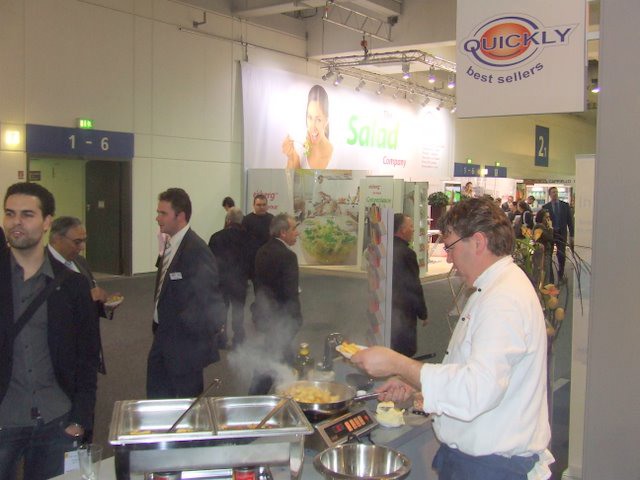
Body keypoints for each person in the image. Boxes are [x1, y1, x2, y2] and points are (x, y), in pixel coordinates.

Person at [351, 198, 552, 480]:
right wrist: (416, 385)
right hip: (481, 462)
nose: (448, 258)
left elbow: (476, 390)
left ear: (478, 242)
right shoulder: (495, 287)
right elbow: (472, 370)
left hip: (491, 467)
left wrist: (398, 364)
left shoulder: (503, 300)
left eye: (450, 247)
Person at [0, 182, 98, 480]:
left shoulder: (73, 285)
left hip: (57, 419)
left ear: (46, 222)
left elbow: (87, 357)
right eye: (9, 214)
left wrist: (80, 419)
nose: (16, 222)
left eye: (27, 214)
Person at [147, 187, 226, 399]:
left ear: (180, 216)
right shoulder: (170, 243)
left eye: (163, 213)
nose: (157, 218)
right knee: (157, 399)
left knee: (186, 407)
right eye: (158, 212)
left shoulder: (197, 250)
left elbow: (209, 302)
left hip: (184, 348)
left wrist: (184, 336)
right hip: (163, 337)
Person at [48, 216, 121, 375]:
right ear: (57, 239)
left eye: (84, 241)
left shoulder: (80, 262)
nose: (82, 247)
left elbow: (91, 297)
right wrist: (85, 297)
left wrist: (105, 304)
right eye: (77, 242)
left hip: (85, 350)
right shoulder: (40, 266)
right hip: (56, 354)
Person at [248, 213, 302, 395]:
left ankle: (282, 394)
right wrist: (295, 320)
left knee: (280, 358)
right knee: (273, 361)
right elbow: (290, 294)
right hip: (281, 320)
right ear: (283, 232)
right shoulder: (288, 256)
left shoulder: (261, 251)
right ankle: (256, 398)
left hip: (265, 316)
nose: (297, 233)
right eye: (294, 229)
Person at [208, 207, 250, 348]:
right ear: (241, 221)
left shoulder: (216, 237)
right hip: (240, 281)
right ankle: (238, 338)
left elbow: (210, 261)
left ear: (228, 220)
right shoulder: (248, 238)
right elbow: (250, 260)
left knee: (222, 310)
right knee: (238, 311)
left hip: (221, 280)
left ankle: (221, 339)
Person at [391, 213, 428, 357]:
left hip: (386, 306)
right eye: (411, 226)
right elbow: (413, 286)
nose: (413, 230)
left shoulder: (383, 250)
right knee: (403, 350)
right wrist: (422, 313)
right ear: (402, 230)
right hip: (404, 310)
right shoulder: (407, 254)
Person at [282, 85, 334, 169]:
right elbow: (291, 177)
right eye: (310, 117)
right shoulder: (300, 150)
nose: (312, 127)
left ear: (326, 121)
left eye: (318, 119)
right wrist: (292, 157)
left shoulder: (335, 156)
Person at [242, 194, 274, 290]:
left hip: (269, 258)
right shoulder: (247, 220)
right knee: (258, 287)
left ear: (267, 205)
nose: (261, 207)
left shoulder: (272, 219)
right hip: (253, 259)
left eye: (264, 205)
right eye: (259, 205)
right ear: (254, 205)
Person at [542, 187, 574, 282]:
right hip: (550, 234)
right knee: (549, 255)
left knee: (561, 255)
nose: (555, 194)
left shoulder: (565, 205)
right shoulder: (546, 207)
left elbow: (570, 221)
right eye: (553, 192)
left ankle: (561, 274)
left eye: (556, 192)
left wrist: (571, 235)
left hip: (561, 233)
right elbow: (543, 223)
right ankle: (550, 278)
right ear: (549, 194)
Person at [533, 209, 555, 285]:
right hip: (542, 254)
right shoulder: (539, 227)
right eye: (546, 217)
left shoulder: (543, 227)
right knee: (544, 275)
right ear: (541, 217)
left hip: (545, 253)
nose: (548, 219)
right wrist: (551, 228)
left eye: (549, 217)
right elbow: (549, 238)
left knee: (546, 274)